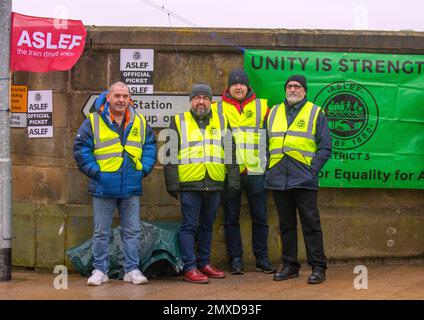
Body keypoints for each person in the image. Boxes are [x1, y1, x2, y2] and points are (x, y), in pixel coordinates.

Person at [73, 81, 157, 286]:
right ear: (108, 97)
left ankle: (132, 269)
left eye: (125, 96)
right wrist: (97, 173)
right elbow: (81, 149)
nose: (121, 100)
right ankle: (100, 270)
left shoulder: (140, 122)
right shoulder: (92, 121)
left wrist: (142, 170)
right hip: (103, 186)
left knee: (132, 231)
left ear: (130, 99)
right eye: (117, 96)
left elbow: (150, 147)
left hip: (131, 186)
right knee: (101, 232)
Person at [164, 81, 240, 284]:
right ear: (190, 101)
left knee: (207, 225)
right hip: (190, 183)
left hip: (214, 182)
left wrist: (233, 180)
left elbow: (231, 153)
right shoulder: (178, 121)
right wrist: (172, 183)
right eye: (197, 98)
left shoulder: (222, 121)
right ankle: (190, 267)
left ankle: (204, 262)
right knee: (189, 226)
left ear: (211, 101)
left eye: (205, 98)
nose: (201, 101)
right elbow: (170, 155)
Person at [265, 75, 332, 284]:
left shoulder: (315, 112)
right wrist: (269, 168)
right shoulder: (274, 112)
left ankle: (318, 267)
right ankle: (290, 265)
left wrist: (312, 170)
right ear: (285, 90)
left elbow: (325, 147)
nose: (293, 89)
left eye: (297, 86)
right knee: (286, 226)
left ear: (304, 91)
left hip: (304, 179)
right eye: (289, 86)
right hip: (278, 178)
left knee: (311, 225)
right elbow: (266, 144)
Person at [211, 69, 275, 275]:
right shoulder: (215, 108)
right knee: (231, 217)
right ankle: (236, 259)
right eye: (234, 83)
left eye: (242, 84)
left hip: (256, 170)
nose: (238, 87)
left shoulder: (263, 107)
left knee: (260, 217)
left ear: (248, 86)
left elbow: (274, 136)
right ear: (228, 87)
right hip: (230, 172)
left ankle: (262, 258)